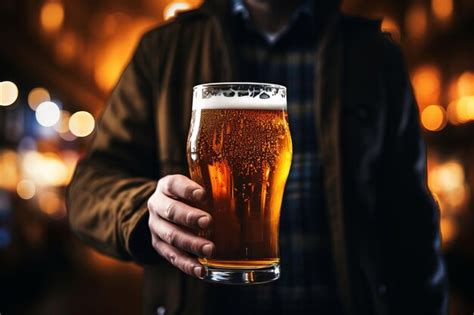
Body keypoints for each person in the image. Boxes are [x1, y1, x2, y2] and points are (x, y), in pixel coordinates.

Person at [67, 0, 449, 314]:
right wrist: (141, 211)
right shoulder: (164, 50)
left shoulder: (376, 56)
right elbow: (88, 188)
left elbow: (412, 218)